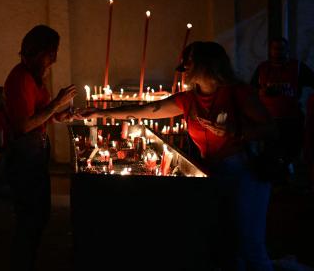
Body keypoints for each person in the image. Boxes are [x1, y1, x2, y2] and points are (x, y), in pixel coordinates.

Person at [80, 41, 275, 271]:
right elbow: (146, 110)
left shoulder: (238, 94)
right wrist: (100, 112)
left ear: (206, 64)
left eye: (189, 62)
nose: (183, 68)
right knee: (226, 242)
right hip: (212, 175)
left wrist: (236, 132)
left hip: (244, 174)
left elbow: (271, 129)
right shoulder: (188, 100)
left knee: (250, 242)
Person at [3, 25, 77, 271]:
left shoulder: (35, 77)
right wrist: (56, 105)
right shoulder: (20, 78)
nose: (54, 59)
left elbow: (42, 114)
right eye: (51, 53)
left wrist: (61, 114)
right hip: (24, 154)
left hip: (36, 152)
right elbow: (24, 125)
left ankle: (27, 260)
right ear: (37, 51)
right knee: (29, 217)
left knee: (40, 213)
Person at [250, 37, 314, 167]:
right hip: (268, 120)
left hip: (291, 119)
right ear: (270, 50)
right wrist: (260, 92)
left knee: (291, 153)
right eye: (275, 48)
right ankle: (275, 181)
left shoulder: (297, 67)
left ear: (287, 50)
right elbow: (250, 90)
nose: (278, 51)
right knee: (270, 154)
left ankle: (290, 179)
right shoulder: (262, 68)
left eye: (282, 48)